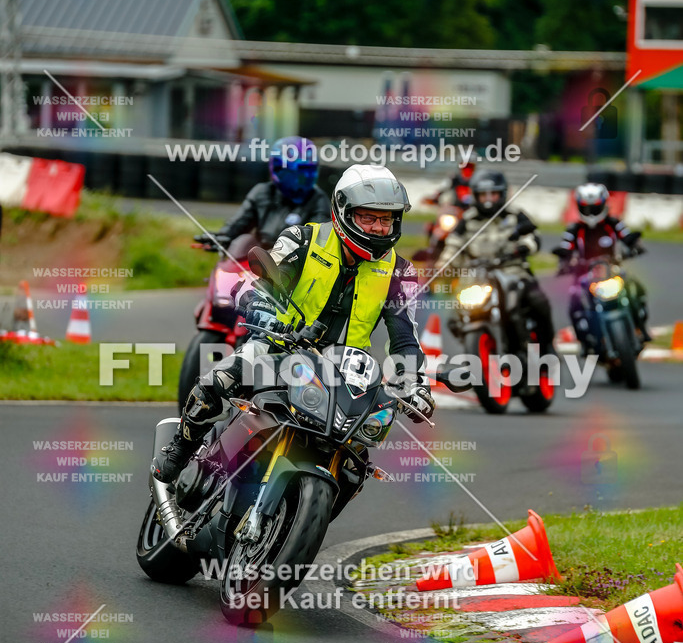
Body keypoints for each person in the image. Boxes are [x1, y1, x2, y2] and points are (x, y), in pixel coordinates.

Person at [153, 164, 435, 483]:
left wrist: (414, 381)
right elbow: (263, 286)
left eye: (386, 219)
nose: (378, 228)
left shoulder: (401, 272)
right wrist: (260, 306)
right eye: (368, 217)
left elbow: (404, 338)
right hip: (279, 345)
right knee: (220, 379)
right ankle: (181, 448)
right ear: (343, 211)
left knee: (357, 459)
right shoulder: (302, 239)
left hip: (344, 372)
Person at [435, 169, 556, 354]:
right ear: (475, 196)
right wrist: (443, 265)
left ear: (503, 194)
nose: (489, 199)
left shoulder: (515, 216)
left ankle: (547, 347)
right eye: (483, 194)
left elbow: (533, 237)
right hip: (476, 277)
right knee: (453, 316)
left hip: (513, 272)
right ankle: (475, 346)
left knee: (538, 301)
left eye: (493, 193)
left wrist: (523, 247)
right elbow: (453, 247)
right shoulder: (466, 221)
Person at [554, 182, 650, 347]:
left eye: (595, 208)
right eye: (586, 208)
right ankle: (586, 341)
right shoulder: (574, 229)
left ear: (604, 205)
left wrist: (635, 246)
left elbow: (627, 238)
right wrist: (564, 261)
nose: (591, 213)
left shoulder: (613, 223)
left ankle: (639, 328)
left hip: (612, 270)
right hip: (585, 275)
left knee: (636, 287)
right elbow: (565, 248)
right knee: (574, 302)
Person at [200, 136, 329, 249]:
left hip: (293, 267)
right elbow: (238, 224)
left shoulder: (319, 200)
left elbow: (317, 240)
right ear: (279, 170)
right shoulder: (262, 192)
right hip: (256, 262)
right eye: (296, 173)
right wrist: (221, 237)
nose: (303, 178)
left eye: (308, 171)